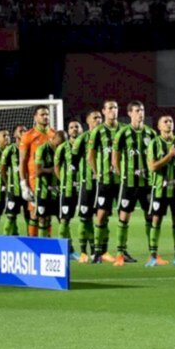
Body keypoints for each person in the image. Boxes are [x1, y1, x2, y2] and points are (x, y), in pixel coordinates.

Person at [112, 101, 158, 266]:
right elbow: (115, 159)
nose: (141, 113)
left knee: (150, 217)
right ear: (130, 113)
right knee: (124, 217)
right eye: (137, 110)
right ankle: (119, 253)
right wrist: (123, 175)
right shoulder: (123, 134)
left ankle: (153, 254)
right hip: (129, 183)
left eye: (143, 110)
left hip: (146, 183)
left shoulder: (151, 134)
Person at [146, 114, 175, 267]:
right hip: (159, 189)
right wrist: (169, 155)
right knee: (156, 220)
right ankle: (153, 256)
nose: (169, 124)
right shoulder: (154, 144)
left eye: (171, 121)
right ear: (159, 126)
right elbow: (152, 167)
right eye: (165, 121)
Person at [88, 100, 123, 263]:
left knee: (123, 215)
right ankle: (97, 251)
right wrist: (97, 173)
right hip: (105, 181)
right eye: (110, 108)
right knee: (101, 215)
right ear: (103, 111)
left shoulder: (124, 129)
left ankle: (121, 252)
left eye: (115, 108)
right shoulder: (98, 131)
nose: (113, 111)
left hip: (122, 181)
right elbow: (91, 156)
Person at [19, 105, 55, 238]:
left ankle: (47, 245)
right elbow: (22, 161)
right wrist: (24, 184)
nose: (45, 117)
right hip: (35, 181)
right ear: (35, 117)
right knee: (36, 214)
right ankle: (33, 246)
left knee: (48, 215)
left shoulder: (54, 134)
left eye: (47, 114)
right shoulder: (28, 136)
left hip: (51, 180)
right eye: (42, 114)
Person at [74, 110, 102, 262]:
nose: (98, 120)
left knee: (100, 219)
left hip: (103, 184)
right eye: (95, 118)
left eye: (100, 118)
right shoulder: (82, 139)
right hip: (87, 184)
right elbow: (72, 160)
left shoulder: (106, 137)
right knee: (85, 219)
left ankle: (97, 251)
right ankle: (83, 251)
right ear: (88, 121)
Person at [54, 120, 83, 258]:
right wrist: (64, 181)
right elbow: (57, 167)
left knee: (87, 219)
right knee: (64, 219)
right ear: (68, 130)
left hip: (84, 188)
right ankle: (63, 250)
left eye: (76, 127)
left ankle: (92, 252)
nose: (74, 129)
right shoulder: (62, 148)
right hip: (68, 189)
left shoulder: (86, 145)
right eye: (71, 127)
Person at [33, 131, 65, 238]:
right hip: (43, 191)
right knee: (43, 219)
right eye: (58, 143)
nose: (60, 146)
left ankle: (68, 249)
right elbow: (38, 171)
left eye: (62, 144)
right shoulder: (42, 149)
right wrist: (54, 170)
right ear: (53, 138)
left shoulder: (64, 149)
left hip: (58, 191)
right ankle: (43, 247)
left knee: (63, 219)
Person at [0, 125, 29, 235]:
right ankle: (4, 244)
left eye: (25, 131)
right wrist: (8, 184)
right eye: (21, 131)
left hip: (28, 190)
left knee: (30, 220)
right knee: (10, 218)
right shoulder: (10, 150)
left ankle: (32, 245)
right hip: (14, 190)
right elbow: (2, 170)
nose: (23, 133)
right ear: (15, 135)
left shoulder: (30, 148)